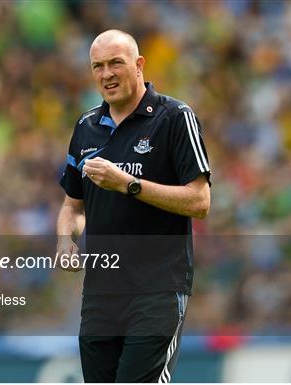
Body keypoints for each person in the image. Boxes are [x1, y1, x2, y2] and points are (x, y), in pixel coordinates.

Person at [57, 29, 211, 383]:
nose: (106, 74)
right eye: (98, 66)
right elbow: (73, 205)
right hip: (101, 292)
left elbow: (200, 201)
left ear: (139, 65)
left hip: (157, 289)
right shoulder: (86, 127)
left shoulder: (174, 118)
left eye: (116, 63)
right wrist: (66, 241)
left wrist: (128, 184)